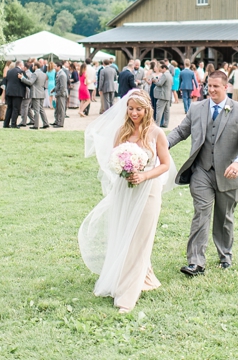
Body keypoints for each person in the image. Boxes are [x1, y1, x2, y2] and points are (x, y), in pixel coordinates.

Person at [78, 89, 174, 313]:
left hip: (149, 189)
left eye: (138, 109)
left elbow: (165, 164)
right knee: (124, 234)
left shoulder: (156, 133)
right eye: (130, 108)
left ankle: (127, 297)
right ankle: (142, 277)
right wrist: (123, 169)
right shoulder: (122, 131)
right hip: (125, 190)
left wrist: (144, 175)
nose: (134, 113)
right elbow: (114, 158)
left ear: (147, 109)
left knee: (140, 238)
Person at [166, 71, 238, 275]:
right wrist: (162, 145)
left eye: (216, 86)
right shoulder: (197, 108)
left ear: (226, 87)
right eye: (209, 86)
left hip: (229, 173)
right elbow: (181, 131)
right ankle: (195, 262)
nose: (211, 90)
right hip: (201, 172)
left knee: (224, 218)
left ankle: (225, 255)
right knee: (201, 214)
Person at [22, 61, 50, 129]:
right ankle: (46, 123)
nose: (32, 67)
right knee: (41, 109)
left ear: (36, 66)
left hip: (35, 93)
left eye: (33, 66)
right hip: (42, 93)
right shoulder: (44, 74)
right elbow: (45, 85)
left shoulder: (35, 73)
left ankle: (36, 125)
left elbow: (30, 82)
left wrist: (22, 78)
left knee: (36, 110)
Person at [2, 61, 26, 128]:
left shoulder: (9, 71)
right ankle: (13, 124)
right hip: (17, 93)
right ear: (20, 65)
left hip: (9, 92)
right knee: (16, 109)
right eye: (23, 65)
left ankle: (6, 124)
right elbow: (25, 81)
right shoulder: (21, 72)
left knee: (9, 108)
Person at [153, 61, 173, 128]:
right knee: (167, 111)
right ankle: (166, 123)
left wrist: (155, 81)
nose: (160, 70)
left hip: (162, 95)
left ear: (164, 68)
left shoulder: (165, 75)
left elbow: (160, 84)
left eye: (161, 69)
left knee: (159, 110)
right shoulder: (170, 75)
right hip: (167, 95)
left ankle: (157, 124)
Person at [53, 61, 69, 128]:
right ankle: (57, 121)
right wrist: (54, 89)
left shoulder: (62, 74)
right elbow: (58, 84)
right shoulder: (59, 73)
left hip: (61, 94)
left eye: (55, 66)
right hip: (59, 93)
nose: (54, 67)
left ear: (59, 67)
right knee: (57, 109)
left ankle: (60, 123)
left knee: (61, 109)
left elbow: (63, 87)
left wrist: (59, 94)